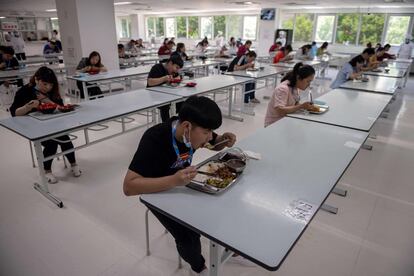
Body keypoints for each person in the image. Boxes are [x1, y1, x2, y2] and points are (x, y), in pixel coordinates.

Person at [123, 95, 236, 276]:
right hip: (156, 191)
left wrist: (223, 140)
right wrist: (173, 181)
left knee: (222, 207)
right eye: (207, 132)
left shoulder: (192, 129)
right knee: (189, 236)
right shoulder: (154, 139)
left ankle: (233, 245)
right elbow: (129, 187)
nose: (209, 136)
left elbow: (213, 144)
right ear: (186, 127)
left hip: (182, 183)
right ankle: (198, 268)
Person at [9, 67, 81, 183]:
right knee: (51, 143)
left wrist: (46, 100)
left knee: (64, 138)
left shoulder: (52, 91)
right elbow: (14, 113)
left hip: (53, 124)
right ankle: (46, 171)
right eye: (45, 84)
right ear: (36, 79)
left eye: (50, 85)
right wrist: (28, 106)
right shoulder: (24, 91)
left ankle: (73, 164)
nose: (48, 87)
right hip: (34, 127)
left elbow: (60, 107)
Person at [265, 63, 315, 127]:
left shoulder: (295, 87)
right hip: (274, 124)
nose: (309, 84)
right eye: (308, 81)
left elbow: (294, 104)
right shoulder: (283, 89)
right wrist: (301, 106)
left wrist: (307, 107)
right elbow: (280, 110)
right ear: (298, 78)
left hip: (286, 119)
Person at [147, 55, 184, 122]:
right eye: (176, 67)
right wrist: (164, 79)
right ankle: (166, 124)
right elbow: (150, 82)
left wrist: (177, 80)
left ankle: (180, 120)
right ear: (170, 63)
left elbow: (178, 77)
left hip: (166, 93)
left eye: (178, 69)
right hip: (154, 94)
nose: (177, 70)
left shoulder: (173, 71)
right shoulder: (157, 68)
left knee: (181, 100)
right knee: (165, 105)